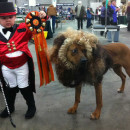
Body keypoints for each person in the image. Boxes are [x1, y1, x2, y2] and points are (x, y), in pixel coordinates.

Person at [0, 0, 47, 119]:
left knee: (24, 87)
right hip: (6, 67)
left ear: (15, 17)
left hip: (22, 66)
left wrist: (42, 16)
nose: (8, 20)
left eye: (10, 17)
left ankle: (31, 107)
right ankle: (10, 107)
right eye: (3, 18)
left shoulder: (23, 28)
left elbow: (37, 24)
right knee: (9, 88)